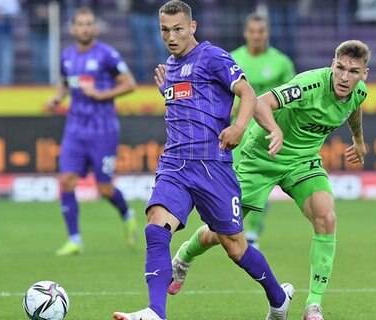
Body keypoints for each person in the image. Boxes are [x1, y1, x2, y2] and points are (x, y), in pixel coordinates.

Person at [112, 1, 292, 320]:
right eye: (165, 30)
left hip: (212, 166)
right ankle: (156, 311)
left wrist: (238, 126)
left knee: (235, 247)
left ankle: (279, 298)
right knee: (156, 227)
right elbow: (187, 104)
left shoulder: (213, 57)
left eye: (178, 29)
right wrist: (167, 93)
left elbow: (247, 93)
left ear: (192, 27)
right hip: (176, 164)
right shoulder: (170, 66)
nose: (171, 36)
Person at [168, 39, 370, 320]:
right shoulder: (310, 85)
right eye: (340, 68)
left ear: (364, 74)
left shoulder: (359, 92)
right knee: (222, 233)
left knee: (327, 217)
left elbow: (353, 109)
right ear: (332, 65)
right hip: (261, 157)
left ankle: (313, 306)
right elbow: (262, 102)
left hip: (301, 162)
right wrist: (275, 130)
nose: (345, 77)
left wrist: (358, 140)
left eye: (353, 71)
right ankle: (184, 257)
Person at [46, 7, 138, 256]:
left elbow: (130, 84)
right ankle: (74, 239)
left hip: (103, 131)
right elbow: (65, 82)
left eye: (89, 23)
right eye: (81, 24)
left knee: (104, 189)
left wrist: (101, 94)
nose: (85, 28)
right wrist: (57, 99)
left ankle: (127, 214)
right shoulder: (67, 56)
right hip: (75, 129)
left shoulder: (107, 55)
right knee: (66, 181)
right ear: (73, 28)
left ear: (95, 28)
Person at [230, 12, 295, 248]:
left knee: (262, 181)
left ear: (267, 33)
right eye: (252, 32)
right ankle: (236, 227)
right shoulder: (232, 59)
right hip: (240, 129)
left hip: (268, 130)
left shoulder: (281, 63)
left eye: (261, 32)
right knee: (236, 181)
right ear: (246, 33)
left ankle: (253, 233)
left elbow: (292, 98)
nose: (257, 36)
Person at [25, 0, 65, 84]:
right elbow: (26, 5)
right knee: (37, 62)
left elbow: (63, 5)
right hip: (35, 28)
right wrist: (36, 10)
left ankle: (50, 85)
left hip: (52, 29)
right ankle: (38, 87)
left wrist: (50, 10)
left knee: (48, 62)